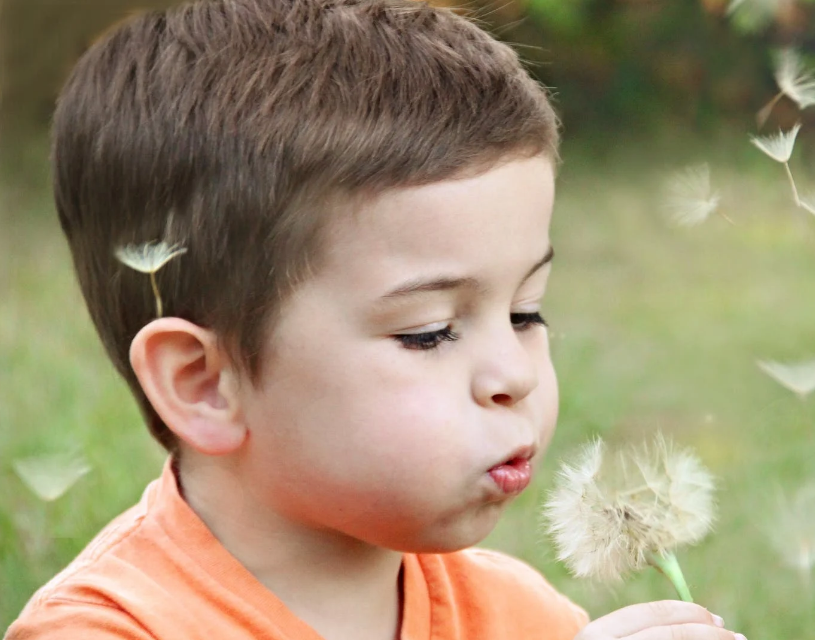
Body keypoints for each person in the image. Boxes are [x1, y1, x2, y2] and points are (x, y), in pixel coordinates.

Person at [5, 1, 745, 639]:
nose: (515, 375)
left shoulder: (521, 616)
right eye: (428, 331)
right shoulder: (108, 628)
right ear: (205, 383)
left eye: (525, 311)